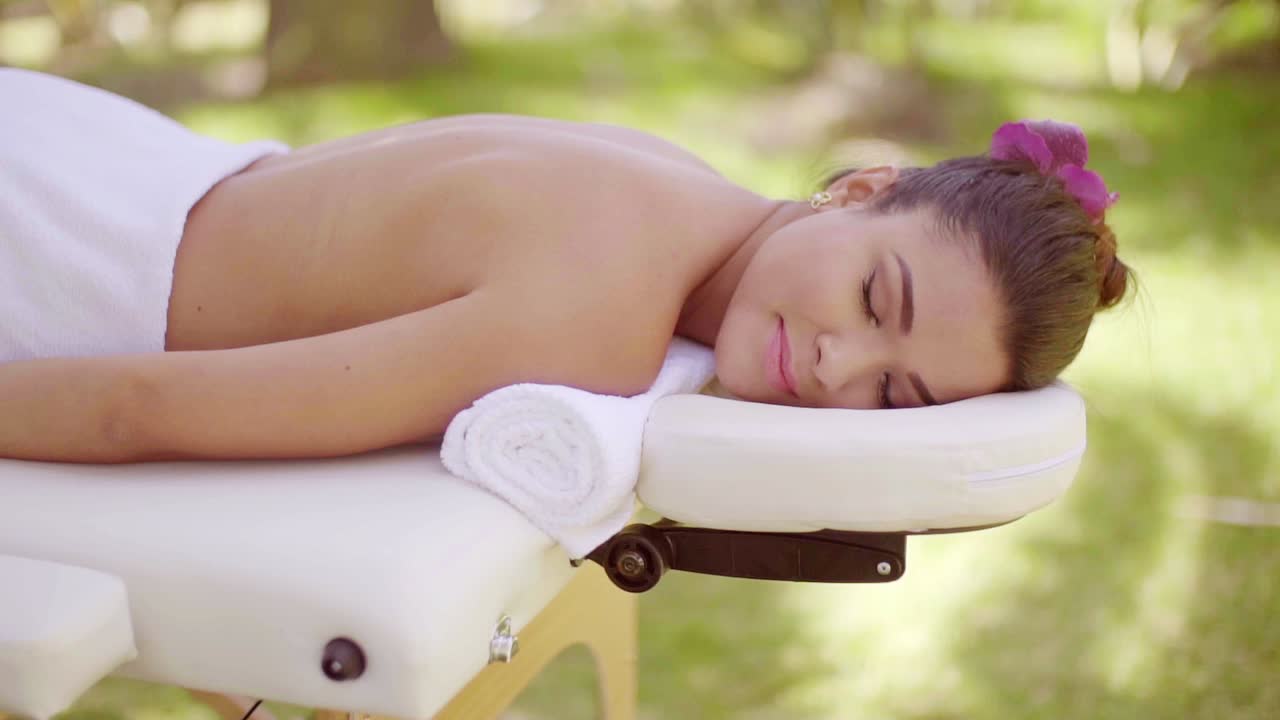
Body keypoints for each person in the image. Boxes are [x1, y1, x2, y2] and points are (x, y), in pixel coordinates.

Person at [0, 68, 1130, 464]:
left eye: (894, 394)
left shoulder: (671, 177)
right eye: (875, 298)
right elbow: (134, 412)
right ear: (863, 187)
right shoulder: (595, 323)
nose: (839, 365)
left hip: (104, 146)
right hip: (60, 250)